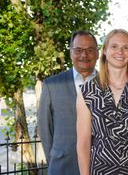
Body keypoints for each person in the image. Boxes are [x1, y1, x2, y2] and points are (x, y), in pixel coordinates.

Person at [76, 29, 128, 175]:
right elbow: (83, 143)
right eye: (114, 46)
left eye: (125, 47)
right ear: (105, 50)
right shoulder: (87, 92)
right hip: (100, 170)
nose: (120, 52)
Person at [37, 30, 99, 175]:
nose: (84, 55)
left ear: (97, 53)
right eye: (78, 50)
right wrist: (54, 158)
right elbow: (45, 128)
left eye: (90, 50)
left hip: (100, 167)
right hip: (62, 167)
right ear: (71, 53)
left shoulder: (109, 85)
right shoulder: (51, 85)